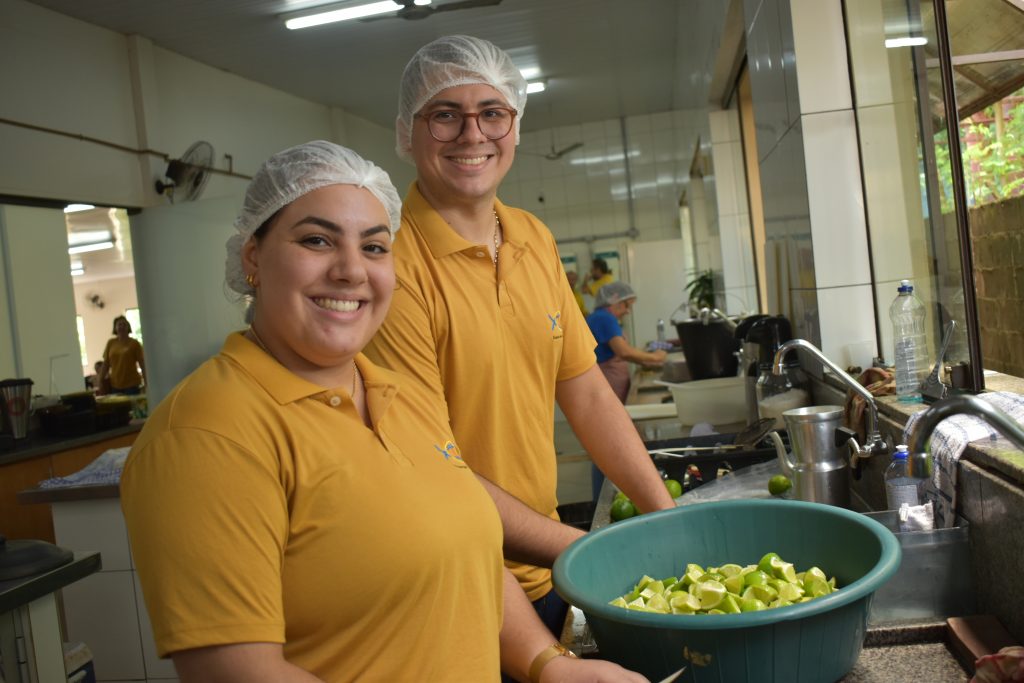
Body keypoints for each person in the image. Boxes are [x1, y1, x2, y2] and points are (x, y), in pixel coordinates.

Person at [120, 141, 646, 683]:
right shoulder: (207, 435)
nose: (351, 270)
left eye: (374, 247)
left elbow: (469, 562)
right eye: (317, 240)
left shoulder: (401, 397)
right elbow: (236, 672)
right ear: (253, 256)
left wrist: (548, 666)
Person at [364, 35, 675, 637]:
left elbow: (583, 389)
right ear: (409, 132)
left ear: (515, 123)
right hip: (453, 584)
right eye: (445, 115)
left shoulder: (532, 235)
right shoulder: (392, 265)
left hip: (543, 568)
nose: (472, 134)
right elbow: (433, 466)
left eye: (491, 112)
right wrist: (587, 551)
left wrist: (666, 519)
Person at [586, 282, 668, 499]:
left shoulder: (601, 318)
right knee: (606, 442)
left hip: (611, 382)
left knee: (605, 441)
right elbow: (623, 352)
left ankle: (609, 493)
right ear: (614, 301)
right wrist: (654, 358)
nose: (627, 311)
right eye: (626, 305)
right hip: (607, 381)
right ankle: (603, 498)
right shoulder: (604, 318)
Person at [99, 315, 145, 395]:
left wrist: (146, 383)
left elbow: (142, 363)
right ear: (115, 328)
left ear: (128, 327)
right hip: (115, 384)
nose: (121, 326)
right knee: (118, 407)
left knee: (132, 407)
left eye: (124, 324)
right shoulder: (111, 343)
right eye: (119, 324)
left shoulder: (134, 343)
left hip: (132, 384)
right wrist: (100, 380)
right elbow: (106, 364)